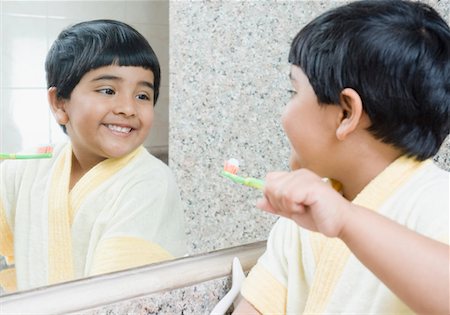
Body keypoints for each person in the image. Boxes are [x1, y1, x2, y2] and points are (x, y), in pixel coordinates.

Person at [234, 0, 449, 314]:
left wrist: (346, 220)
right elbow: (257, 306)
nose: (285, 112)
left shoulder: (438, 202)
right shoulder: (302, 218)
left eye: (294, 92)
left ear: (346, 113)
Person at [0, 20, 187, 292]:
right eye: (108, 90)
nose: (128, 108)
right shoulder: (27, 170)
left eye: (143, 95)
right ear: (59, 103)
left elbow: (119, 297)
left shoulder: (150, 182)